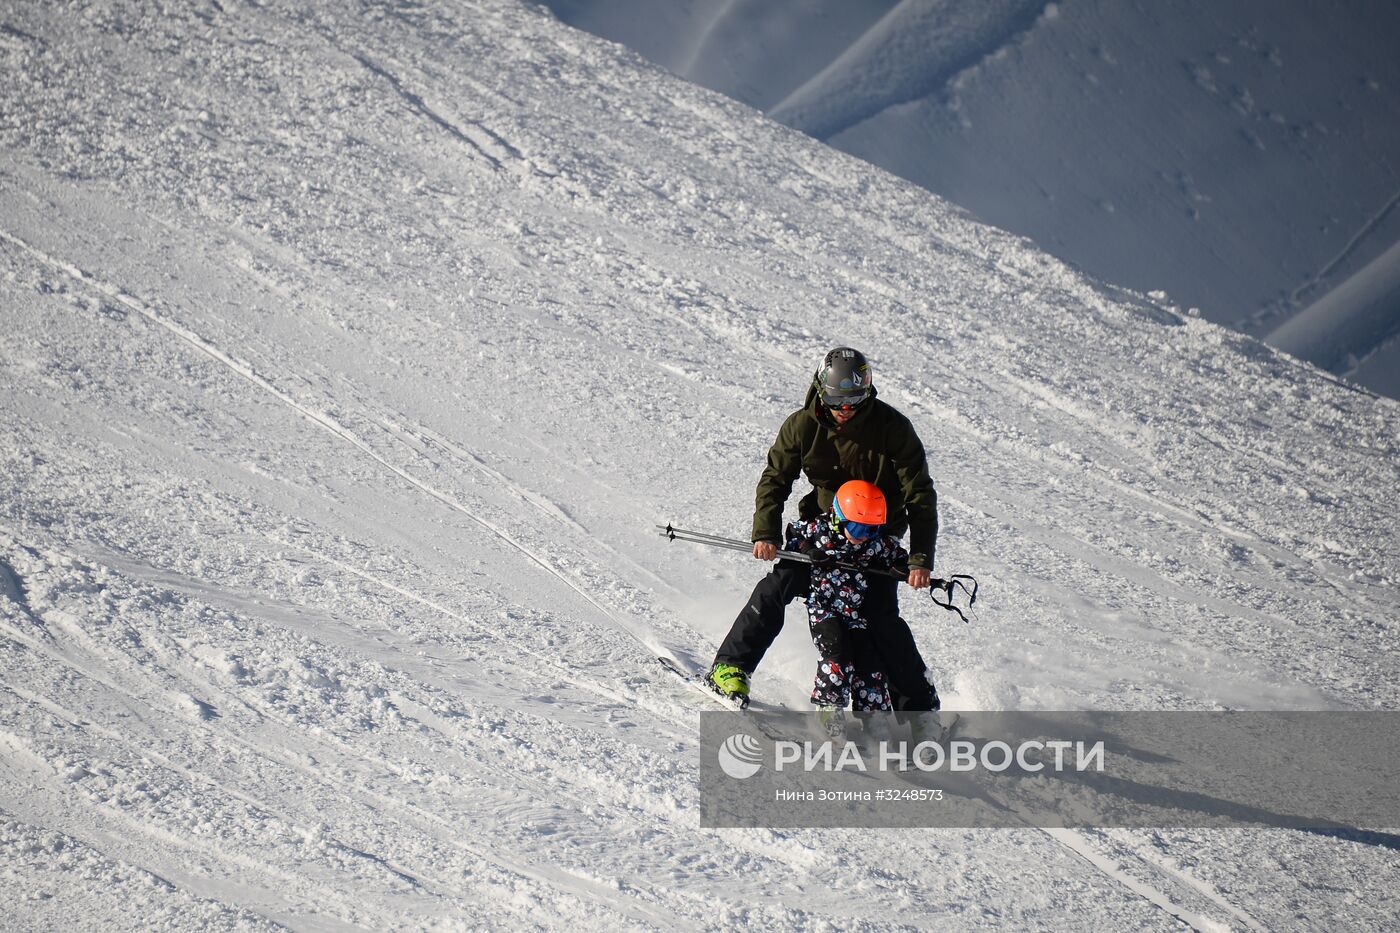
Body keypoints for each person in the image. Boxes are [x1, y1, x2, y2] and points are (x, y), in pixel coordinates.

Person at [707, 346, 942, 729]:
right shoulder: (802, 425)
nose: (844, 410)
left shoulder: (893, 429)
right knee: (777, 587)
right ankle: (730, 667)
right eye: (836, 401)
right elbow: (776, 478)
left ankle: (919, 711)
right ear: (820, 390)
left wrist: (919, 558)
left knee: (880, 620)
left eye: (853, 401)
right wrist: (765, 531)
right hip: (821, 532)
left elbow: (920, 496)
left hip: (874, 537)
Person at [785, 480, 907, 737]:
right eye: (856, 526)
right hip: (825, 610)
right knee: (837, 653)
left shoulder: (871, 542)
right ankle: (829, 708)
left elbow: (894, 552)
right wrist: (809, 550)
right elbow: (794, 532)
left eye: (871, 529)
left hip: (857, 615)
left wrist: (901, 565)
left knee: (870, 661)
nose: (862, 534)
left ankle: (874, 717)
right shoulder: (820, 530)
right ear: (839, 517)